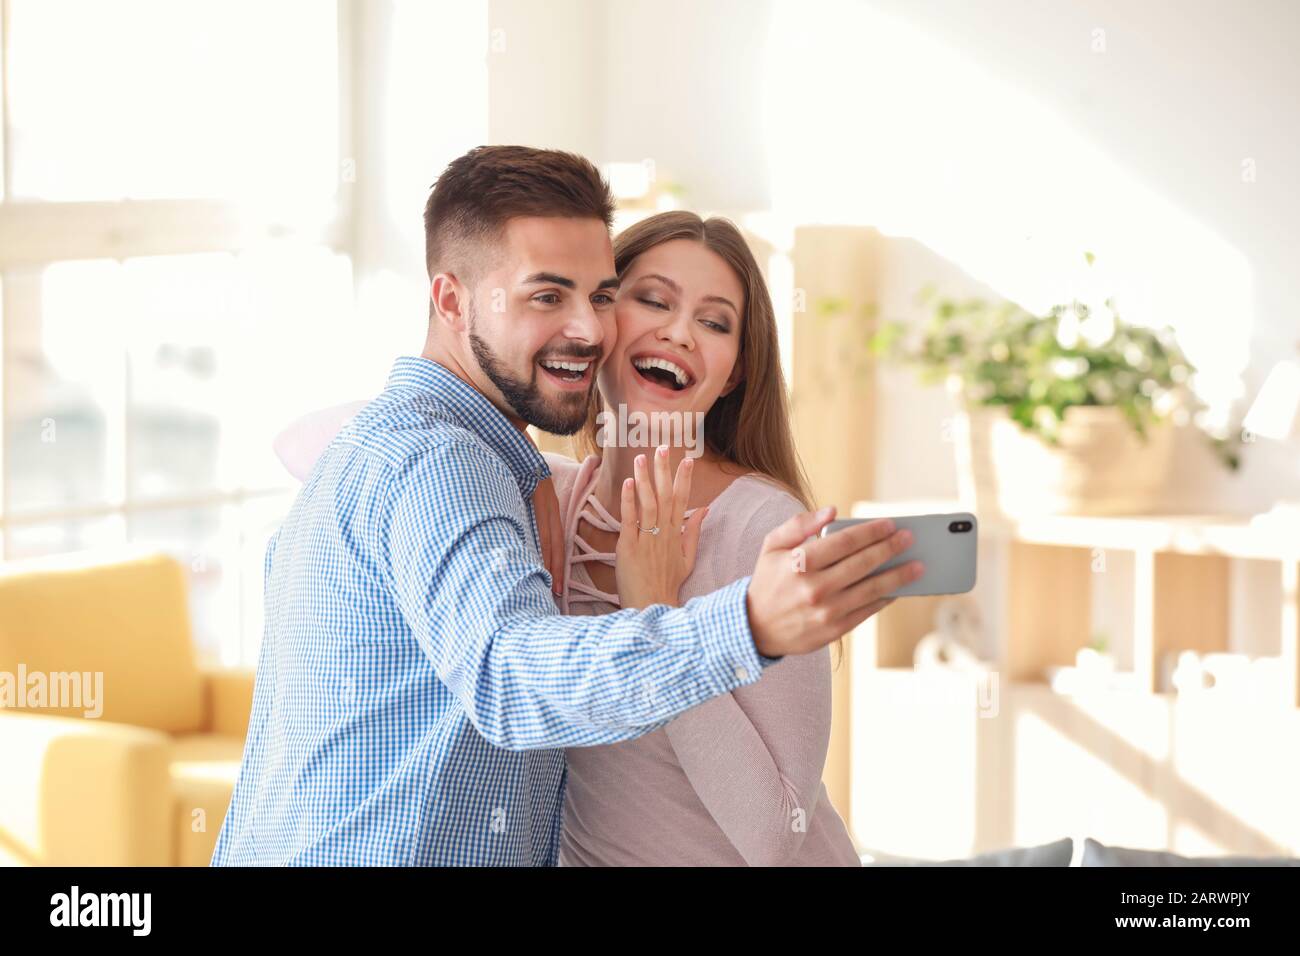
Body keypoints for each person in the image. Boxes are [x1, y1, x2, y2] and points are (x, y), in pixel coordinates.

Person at [216, 145, 923, 866]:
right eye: (549, 296)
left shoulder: (539, 485)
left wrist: (661, 606)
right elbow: (509, 675)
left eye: (599, 296)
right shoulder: (474, 472)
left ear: (738, 368)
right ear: (452, 302)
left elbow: (778, 831)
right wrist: (737, 625)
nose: (586, 328)